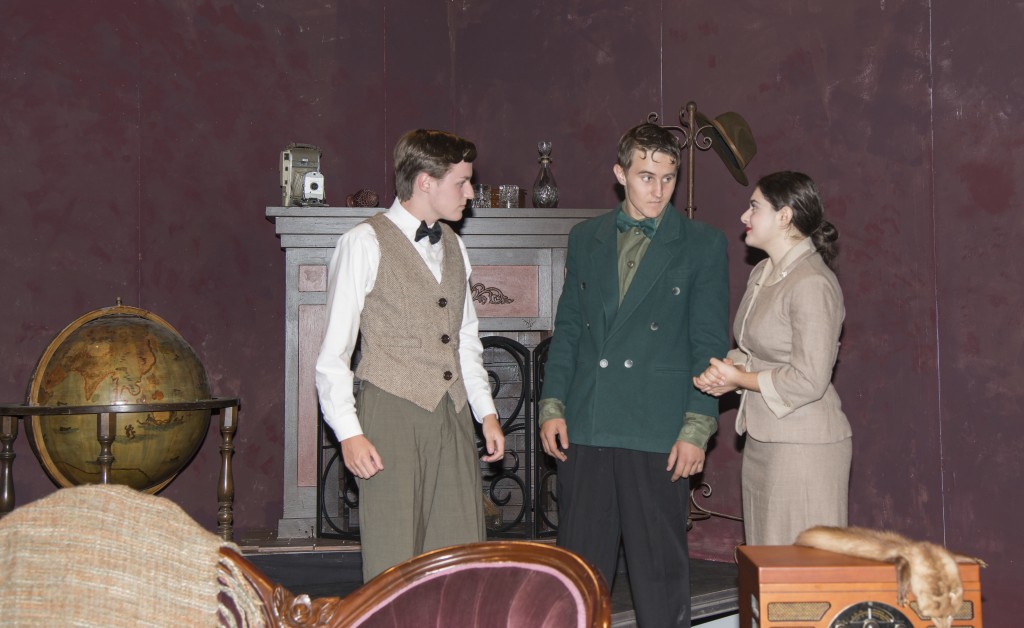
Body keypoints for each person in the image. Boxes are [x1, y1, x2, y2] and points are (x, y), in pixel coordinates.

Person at [539, 122, 729, 627]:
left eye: (669, 177)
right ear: (620, 174)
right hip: (589, 420)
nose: (659, 190)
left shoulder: (703, 244)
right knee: (579, 572)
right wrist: (552, 404)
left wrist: (696, 427)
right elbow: (570, 330)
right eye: (646, 176)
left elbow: (709, 346)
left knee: (660, 575)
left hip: (656, 426)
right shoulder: (586, 237)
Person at [315, 129, 505, 582]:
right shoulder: (363, 242)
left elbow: (465, 339)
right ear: (425, 182)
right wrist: (348, 433)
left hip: (454, 413)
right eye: (461, 182)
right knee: (393, 556)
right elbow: (332, 355)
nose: (471, 193)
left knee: (459, 557)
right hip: (390, 415)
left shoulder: (455, 246)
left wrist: (487, 412)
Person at [693, 170, 851, 546]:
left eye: (754, 207)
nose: (744, 217)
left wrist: (739, 381)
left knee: (800, 574)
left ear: (784, 216)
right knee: (767, 564)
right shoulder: (763, 272)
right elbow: (753, 350)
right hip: (765, 439)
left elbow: (809, 379)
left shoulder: (812, 282)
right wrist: (725, 370)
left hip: (803, 449)